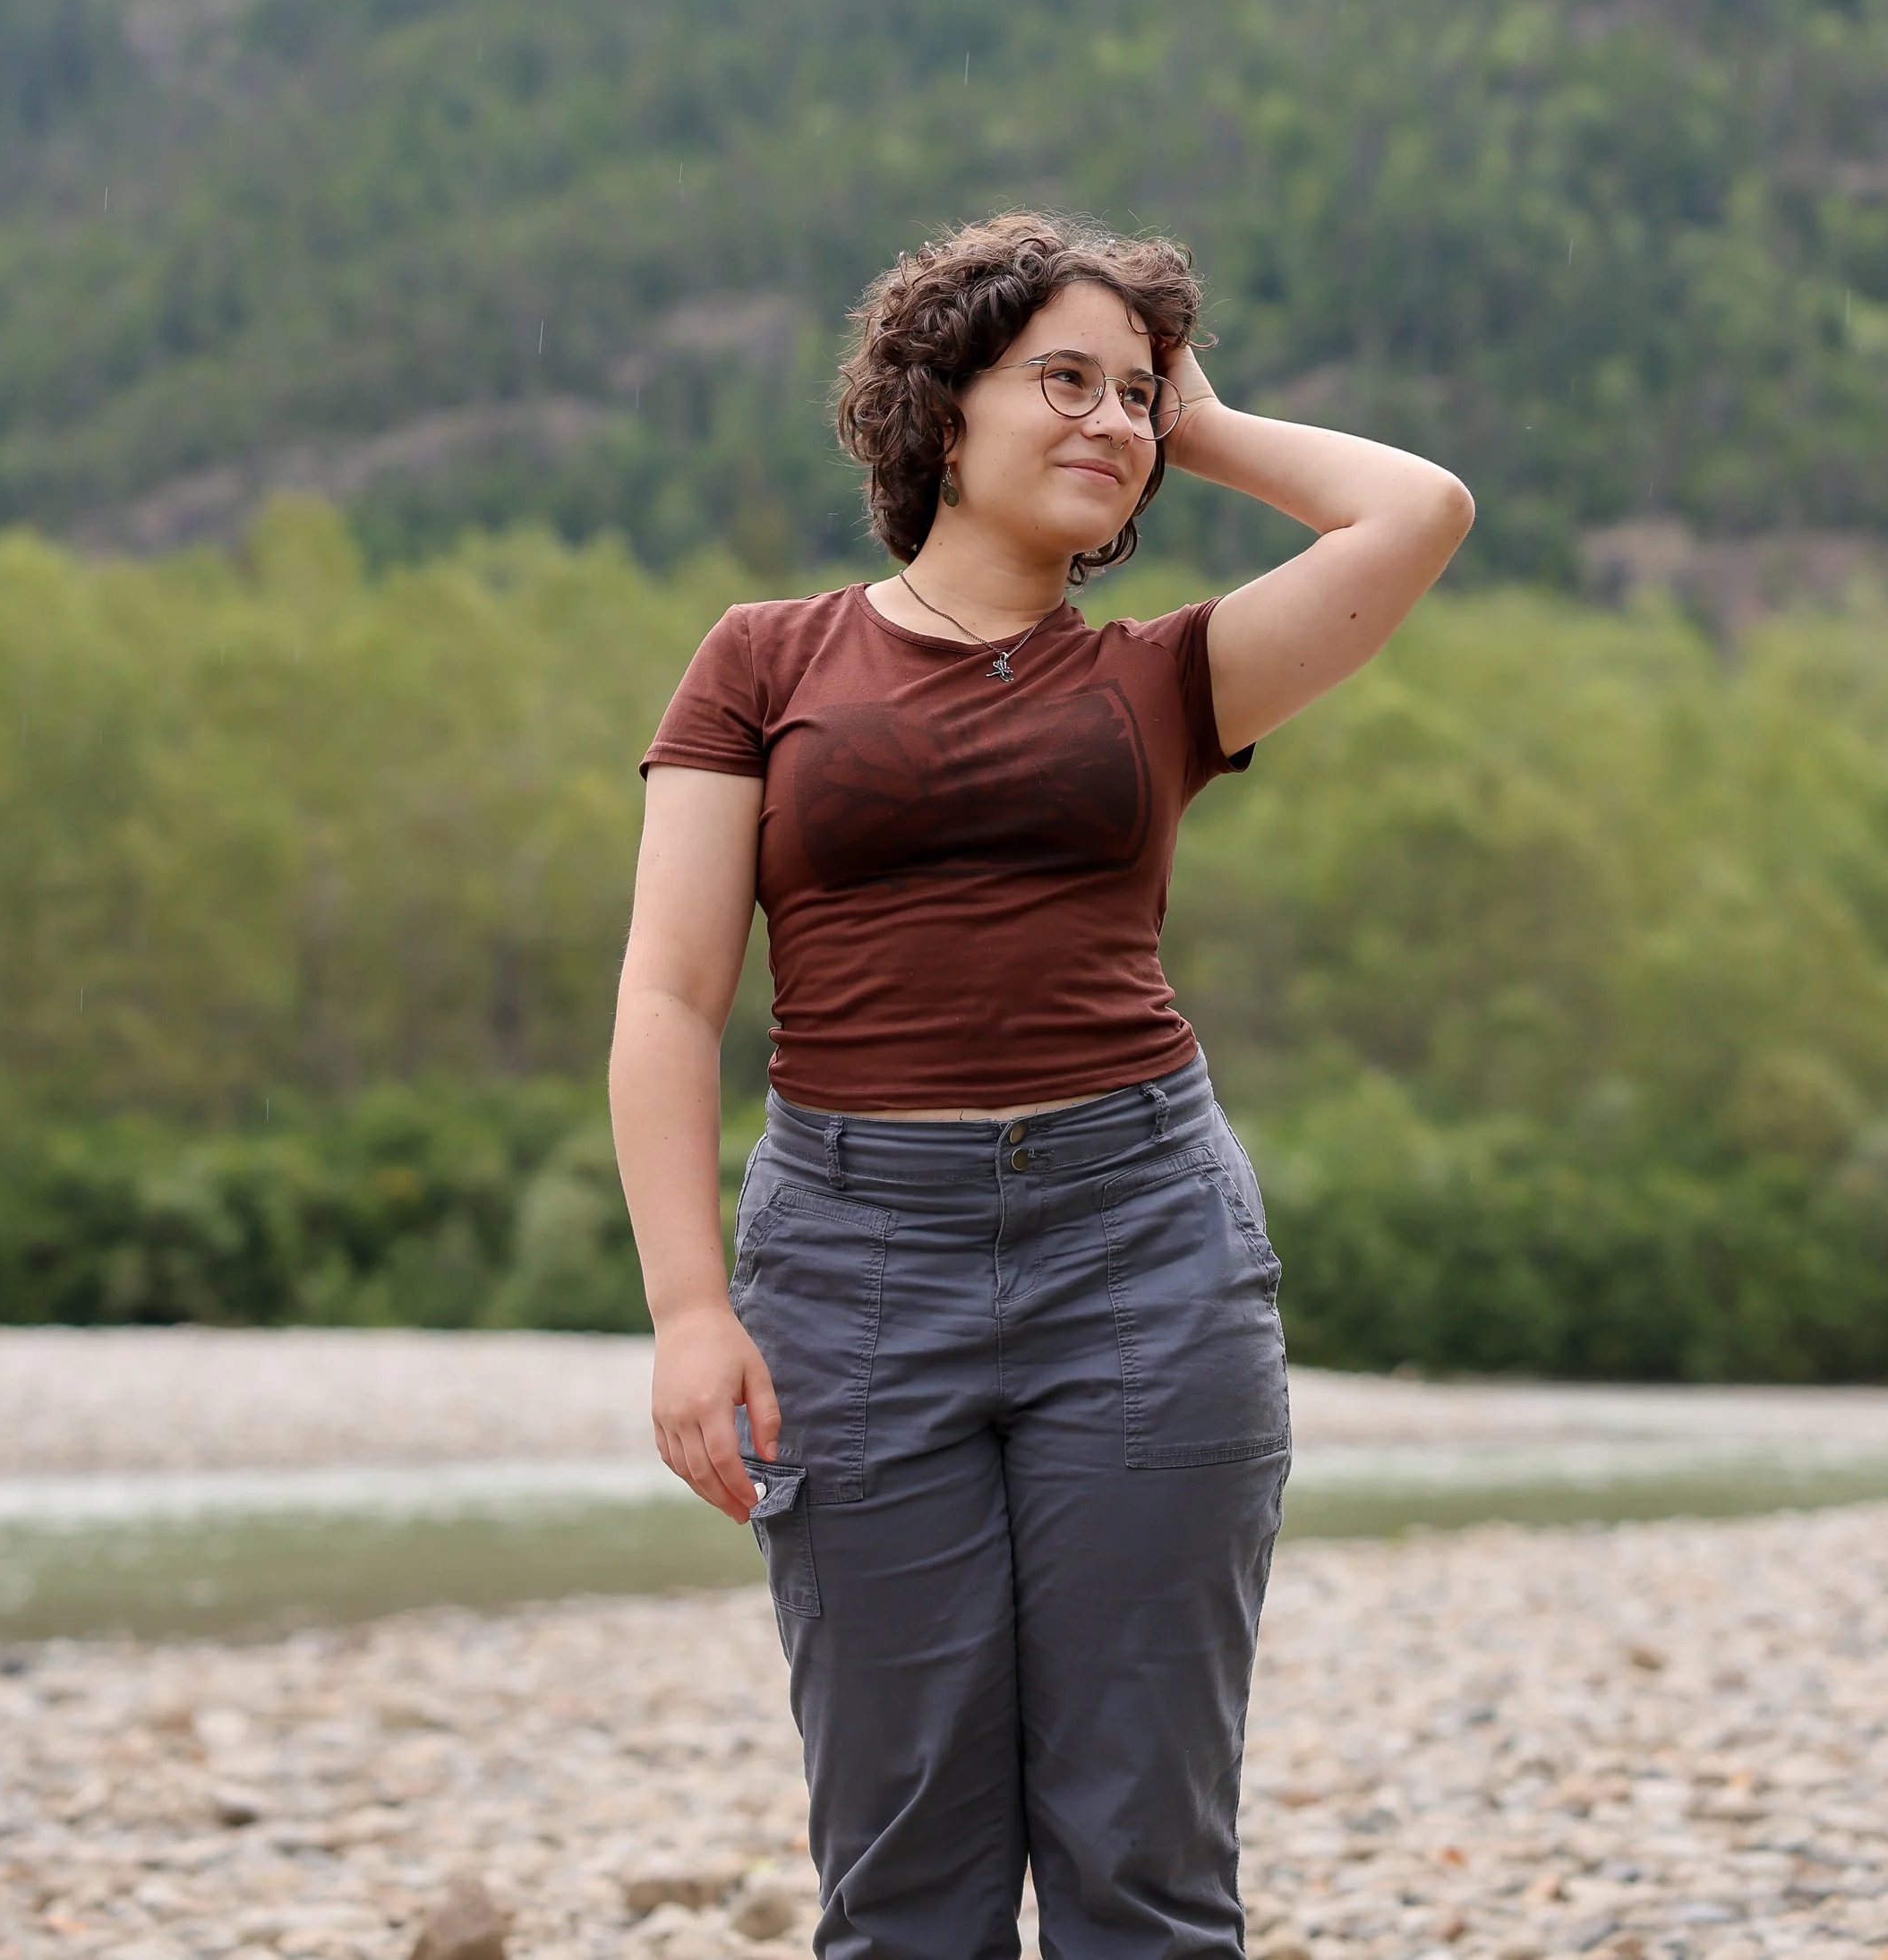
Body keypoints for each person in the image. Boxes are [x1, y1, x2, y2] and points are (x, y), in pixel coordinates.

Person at [610, 212, 1473, 1960]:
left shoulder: (1163, 676)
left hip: (1143, 1251)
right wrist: (688, 1313)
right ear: (941, 411)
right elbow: (670, 990)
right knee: (902, 1863)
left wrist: (1203, 421)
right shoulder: (762, 661)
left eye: (1134, 396)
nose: (1110, 421)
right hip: (850, 1267)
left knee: (1142, 1861)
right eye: (1061, 380)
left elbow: (1415, 513)